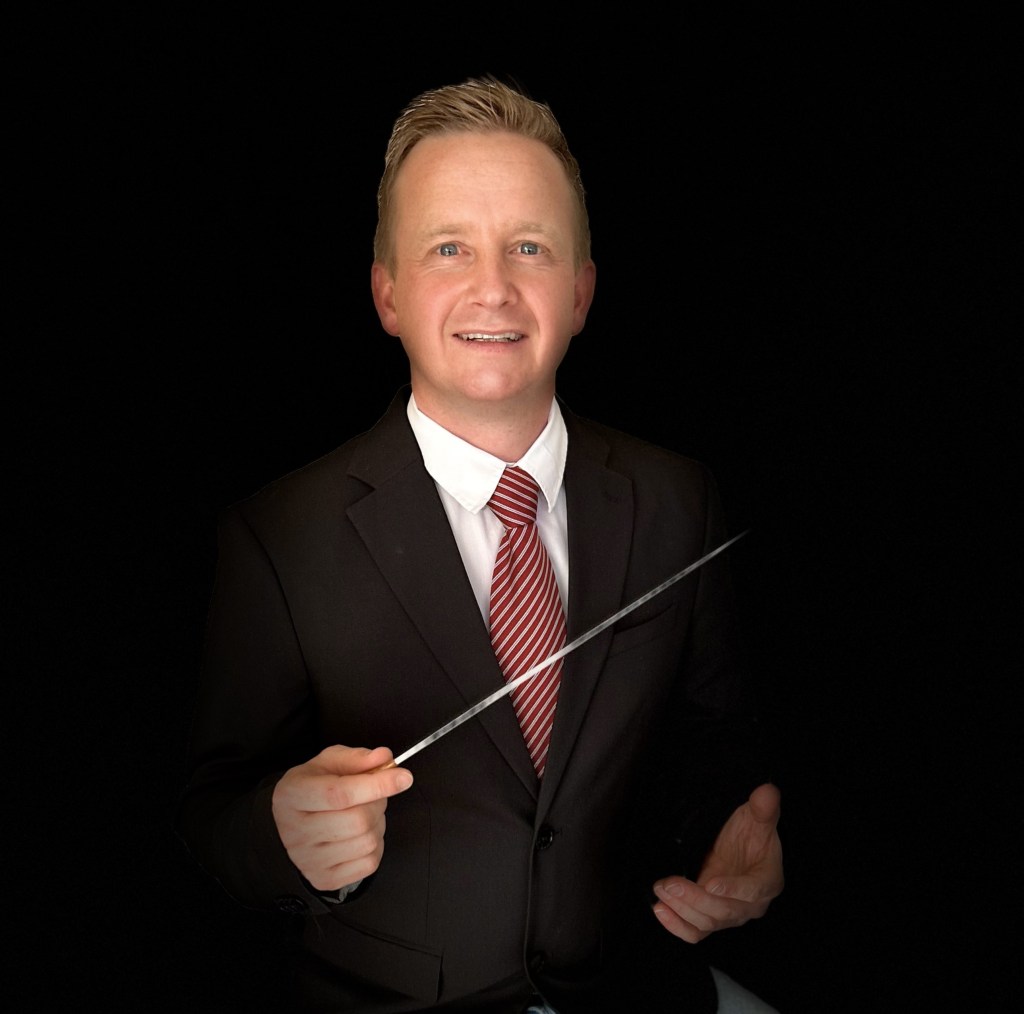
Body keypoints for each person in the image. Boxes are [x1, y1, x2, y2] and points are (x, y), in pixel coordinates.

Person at [177, 75, 784, 1013]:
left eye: (529, 247)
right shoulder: (275, 536)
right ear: (387, 293)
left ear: (580, 293)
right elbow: (209, 813)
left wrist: (733, 842)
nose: (493, 287)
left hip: (634, 989)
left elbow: (715, 744)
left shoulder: (679, 500)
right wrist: (280, 838)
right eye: (448, 247)